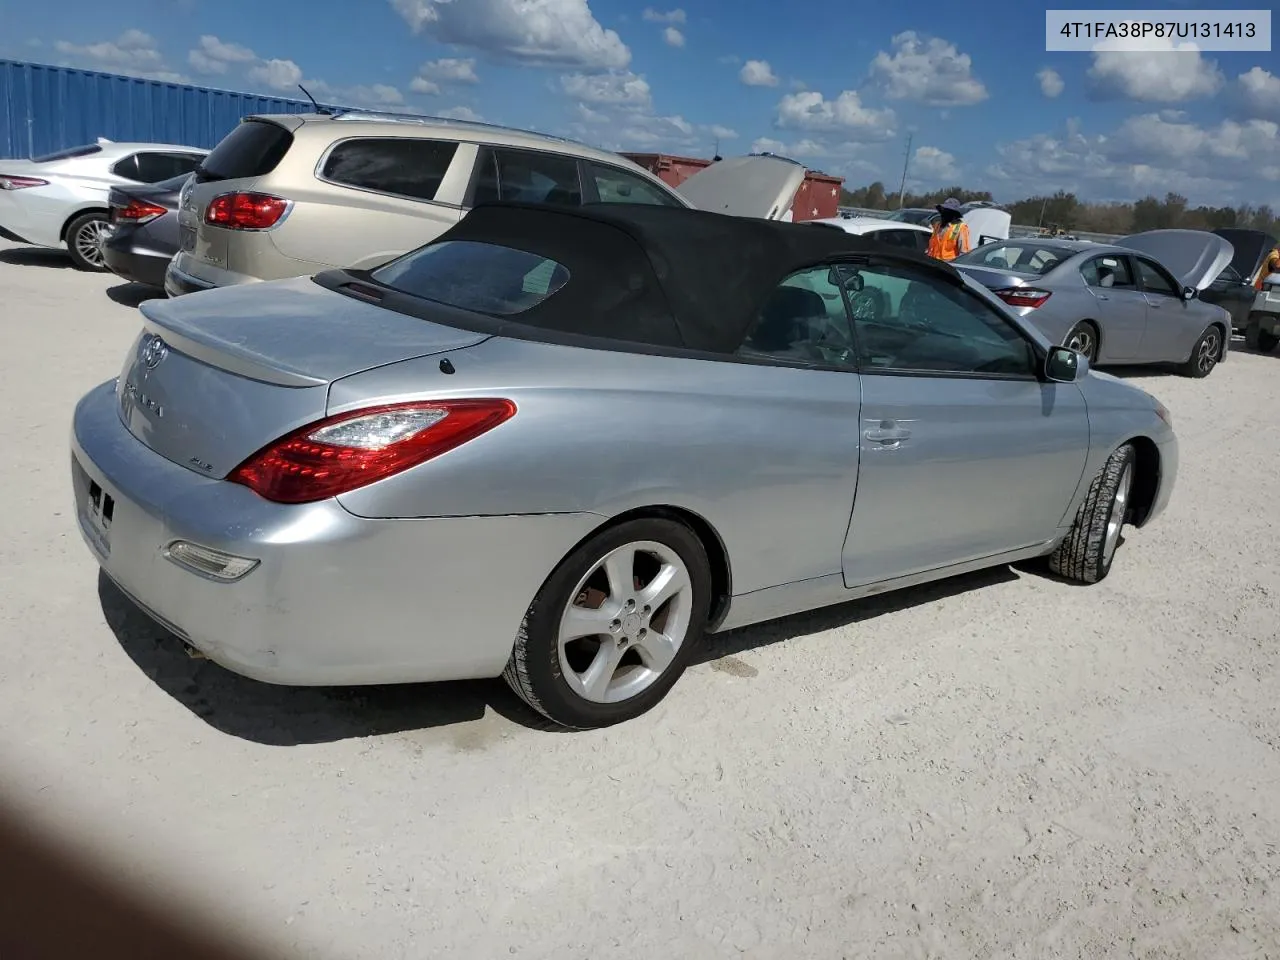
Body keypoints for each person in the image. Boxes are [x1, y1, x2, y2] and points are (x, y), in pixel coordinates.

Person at [926, 197, 971, 261]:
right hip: (933, 264)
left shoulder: (961, 228)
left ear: (954, 214)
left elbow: (964, 254)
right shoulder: (937, 226)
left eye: (946, 211)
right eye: (942, 211)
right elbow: (930, 248)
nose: (943, 214)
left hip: (947, 267)